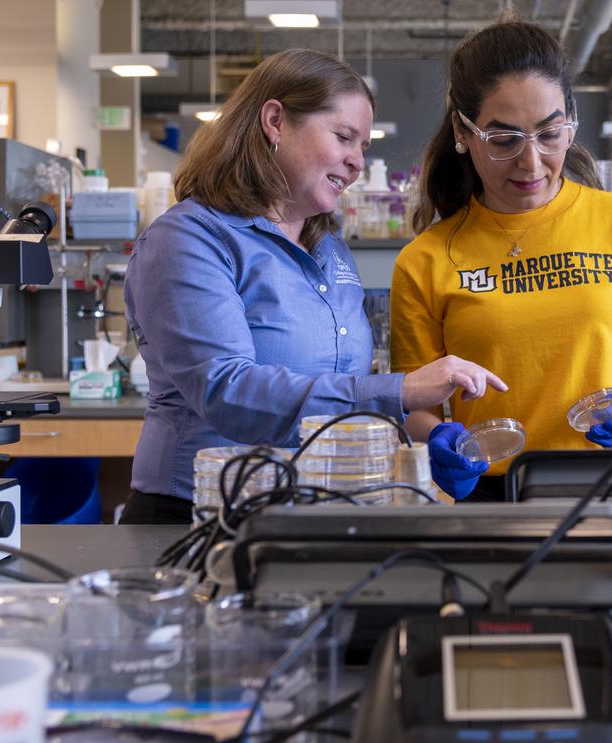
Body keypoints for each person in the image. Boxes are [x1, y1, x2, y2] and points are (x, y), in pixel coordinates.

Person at [122, 49, 505, 524]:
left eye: (363, 145)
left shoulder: (329, 250)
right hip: (200, 515)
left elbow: (336, 389)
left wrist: (422, 429)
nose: (357, 162)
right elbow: (226, 389)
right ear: (275, 121)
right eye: (344, 137)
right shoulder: (188, 240)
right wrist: (399, 391)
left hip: (307, 510)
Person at [390, 19, 612, 502]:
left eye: (550, 133)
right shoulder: (424, 261)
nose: (531, 162)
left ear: (570, 121)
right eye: (504, 139)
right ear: (462, 133)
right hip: (498, 493)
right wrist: (439, 438)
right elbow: (416, 405)